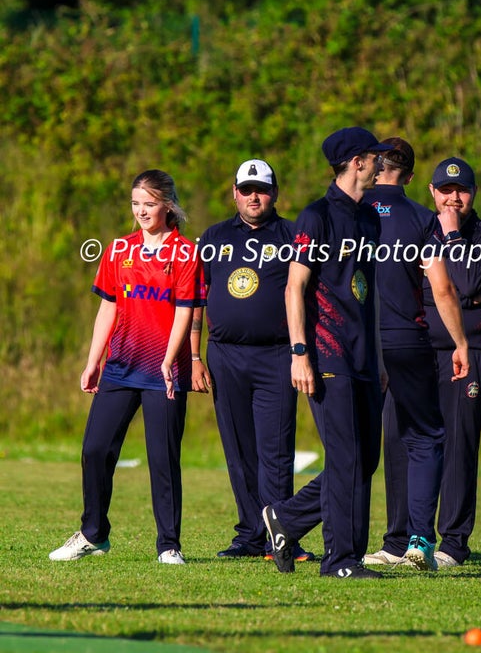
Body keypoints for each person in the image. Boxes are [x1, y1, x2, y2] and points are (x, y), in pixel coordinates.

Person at [49, 170, 203, 564]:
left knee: (162, 459)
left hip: (163, 372)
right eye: (136, 203)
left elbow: (186, 311)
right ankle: (93, 533)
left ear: (167, 204)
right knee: (95, 450)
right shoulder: (119, 249)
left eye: (149, 204)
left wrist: (170, 361)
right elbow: (108, 307)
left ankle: (169, 545)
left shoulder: (185, 253)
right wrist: (92, 361)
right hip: (119, 367)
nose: (141, 211)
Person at [262, 126, 393, 579]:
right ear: (357, 162)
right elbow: (295, 288)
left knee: (364, 461)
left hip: (362, 359)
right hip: (325, 354)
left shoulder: (370, 219)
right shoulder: (315, 217)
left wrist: (376, 361)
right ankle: (341, 560)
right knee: (346, 460)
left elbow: (366, 295)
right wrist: (300, 353)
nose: (380, 164)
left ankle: (286, 519)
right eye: (375, 157)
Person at [191, 160, 313, 562]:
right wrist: (193, 354)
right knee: (239, 449)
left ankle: (282, 534)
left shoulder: (293, 234)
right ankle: (250, 534)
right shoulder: (214, 236)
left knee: (275, 450)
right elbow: (194, 298)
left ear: (274, 193)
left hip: (276, 355)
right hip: (225, 356)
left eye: (261, 188)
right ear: (235, 193)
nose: (254, 196)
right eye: (246, 189)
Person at [363, 139, 470, 572]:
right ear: (410, 177)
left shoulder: (345, 210)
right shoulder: (423, 220)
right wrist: (460, 342)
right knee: (425, 438)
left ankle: (336, 537)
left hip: (355, 343)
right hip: (406, 338)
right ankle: (419, 541)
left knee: (359, 444)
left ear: (372, 168)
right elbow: (442, 288)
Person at [425, 157, 481, 568]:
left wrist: (453, 237)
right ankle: (406, 538)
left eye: (461, 190)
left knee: (460, 443)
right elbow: (421, 291)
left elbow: (473, 283)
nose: (453, 197)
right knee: (416, 444)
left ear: (473, 193)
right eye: (445, 190)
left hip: (470, 350)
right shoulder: (421, 231)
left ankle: (453, 543)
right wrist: (459, 289)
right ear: (432, 193)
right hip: (423, 350)